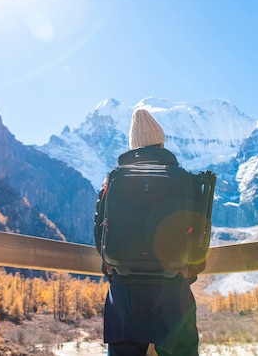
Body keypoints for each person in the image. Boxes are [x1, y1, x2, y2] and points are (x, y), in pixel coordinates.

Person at [94, 108, 200, 356]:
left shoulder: (113, 181)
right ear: (161, 143)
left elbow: (101, 239)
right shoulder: (183, 179)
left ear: (133, 147)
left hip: (124, 294)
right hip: (174, 293)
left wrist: (115, 273)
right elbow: (200, 238)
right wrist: (186, 274)